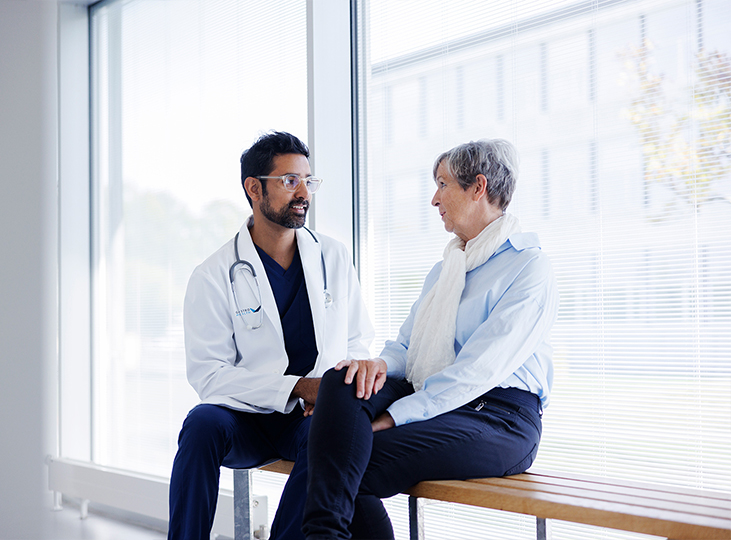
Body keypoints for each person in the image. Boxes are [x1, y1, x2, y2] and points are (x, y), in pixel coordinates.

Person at [302, 138, 559, 540]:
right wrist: (378, 367)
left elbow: (477, 370)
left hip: (498, 417)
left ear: (477, 187)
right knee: (342, 380)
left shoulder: (529, 267)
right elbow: (406, 346)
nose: (434, 199)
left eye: (442, 184)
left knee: (349, 463)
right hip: (432, 396)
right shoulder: (447, 267)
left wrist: (391, 418)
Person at [168, 131, 374, 540]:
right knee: (200, 425)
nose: (303, 193)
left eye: (307, 181)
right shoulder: (212, 275)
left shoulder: (333, 256)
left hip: (307, 419)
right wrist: (300, 386)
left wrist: (330, 392)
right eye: (289, 181)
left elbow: (357, 341)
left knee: (327, 437)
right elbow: (209, 374)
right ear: (254, 188)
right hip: (245, 418)